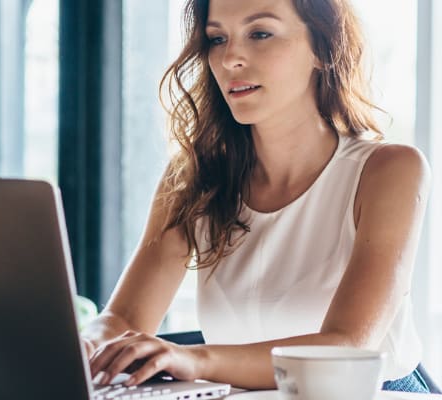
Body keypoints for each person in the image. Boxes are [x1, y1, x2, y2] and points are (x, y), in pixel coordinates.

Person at [80, 0, 431, 392]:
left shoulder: (390, 170)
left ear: (322, 47)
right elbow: (125, 317)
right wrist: (84, 343)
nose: (230, 58)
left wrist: (195, 358)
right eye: (217, 38)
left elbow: (346, 347)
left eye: (260, 33)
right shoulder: (194, 176)